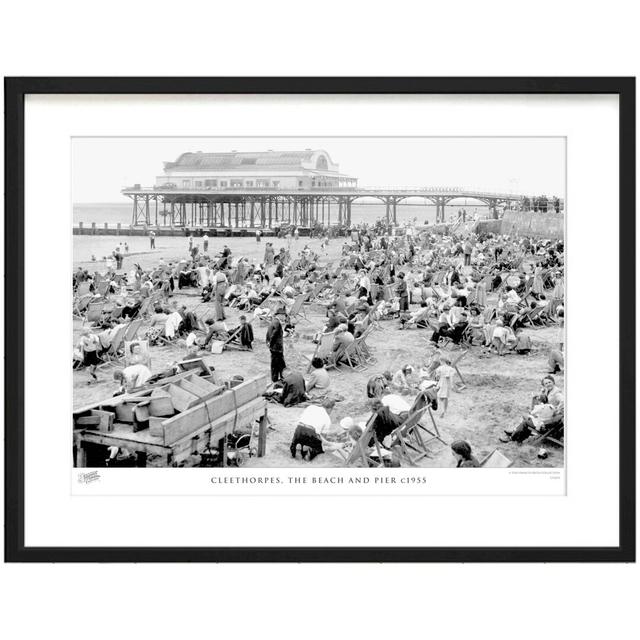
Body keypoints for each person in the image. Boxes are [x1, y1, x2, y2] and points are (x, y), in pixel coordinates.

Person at [266, 310, 286, 382]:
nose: (284, 317)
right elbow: (273, 335)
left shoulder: (273, 321)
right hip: (276, 348)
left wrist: (268, 343)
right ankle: (282, 379)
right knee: (280, 365)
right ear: (280, 315)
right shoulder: (277, 322)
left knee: (275, 364)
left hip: (274, 347)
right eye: (284, 315)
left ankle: (275, 379)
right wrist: (270, 343)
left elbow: (268, 334)